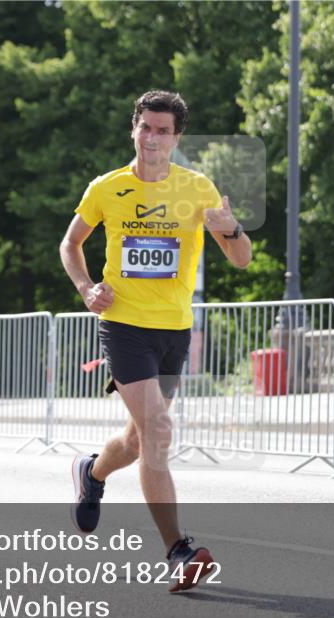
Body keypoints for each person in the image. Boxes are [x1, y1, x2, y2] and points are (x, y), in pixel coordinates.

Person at [59, 90, 252, 592]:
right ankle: (178, 549)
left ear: (176, 137)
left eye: (163, 131)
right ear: (134, 129)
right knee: (159, 430)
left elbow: (242, 259)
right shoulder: (107, 188)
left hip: (173, 331)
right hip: (124, 326)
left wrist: (230, 230)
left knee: (138, 437)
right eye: (146, 127)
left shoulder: (197, 188)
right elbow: (71, 242)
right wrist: (86, 288)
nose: (152, 138)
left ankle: (92, 473)